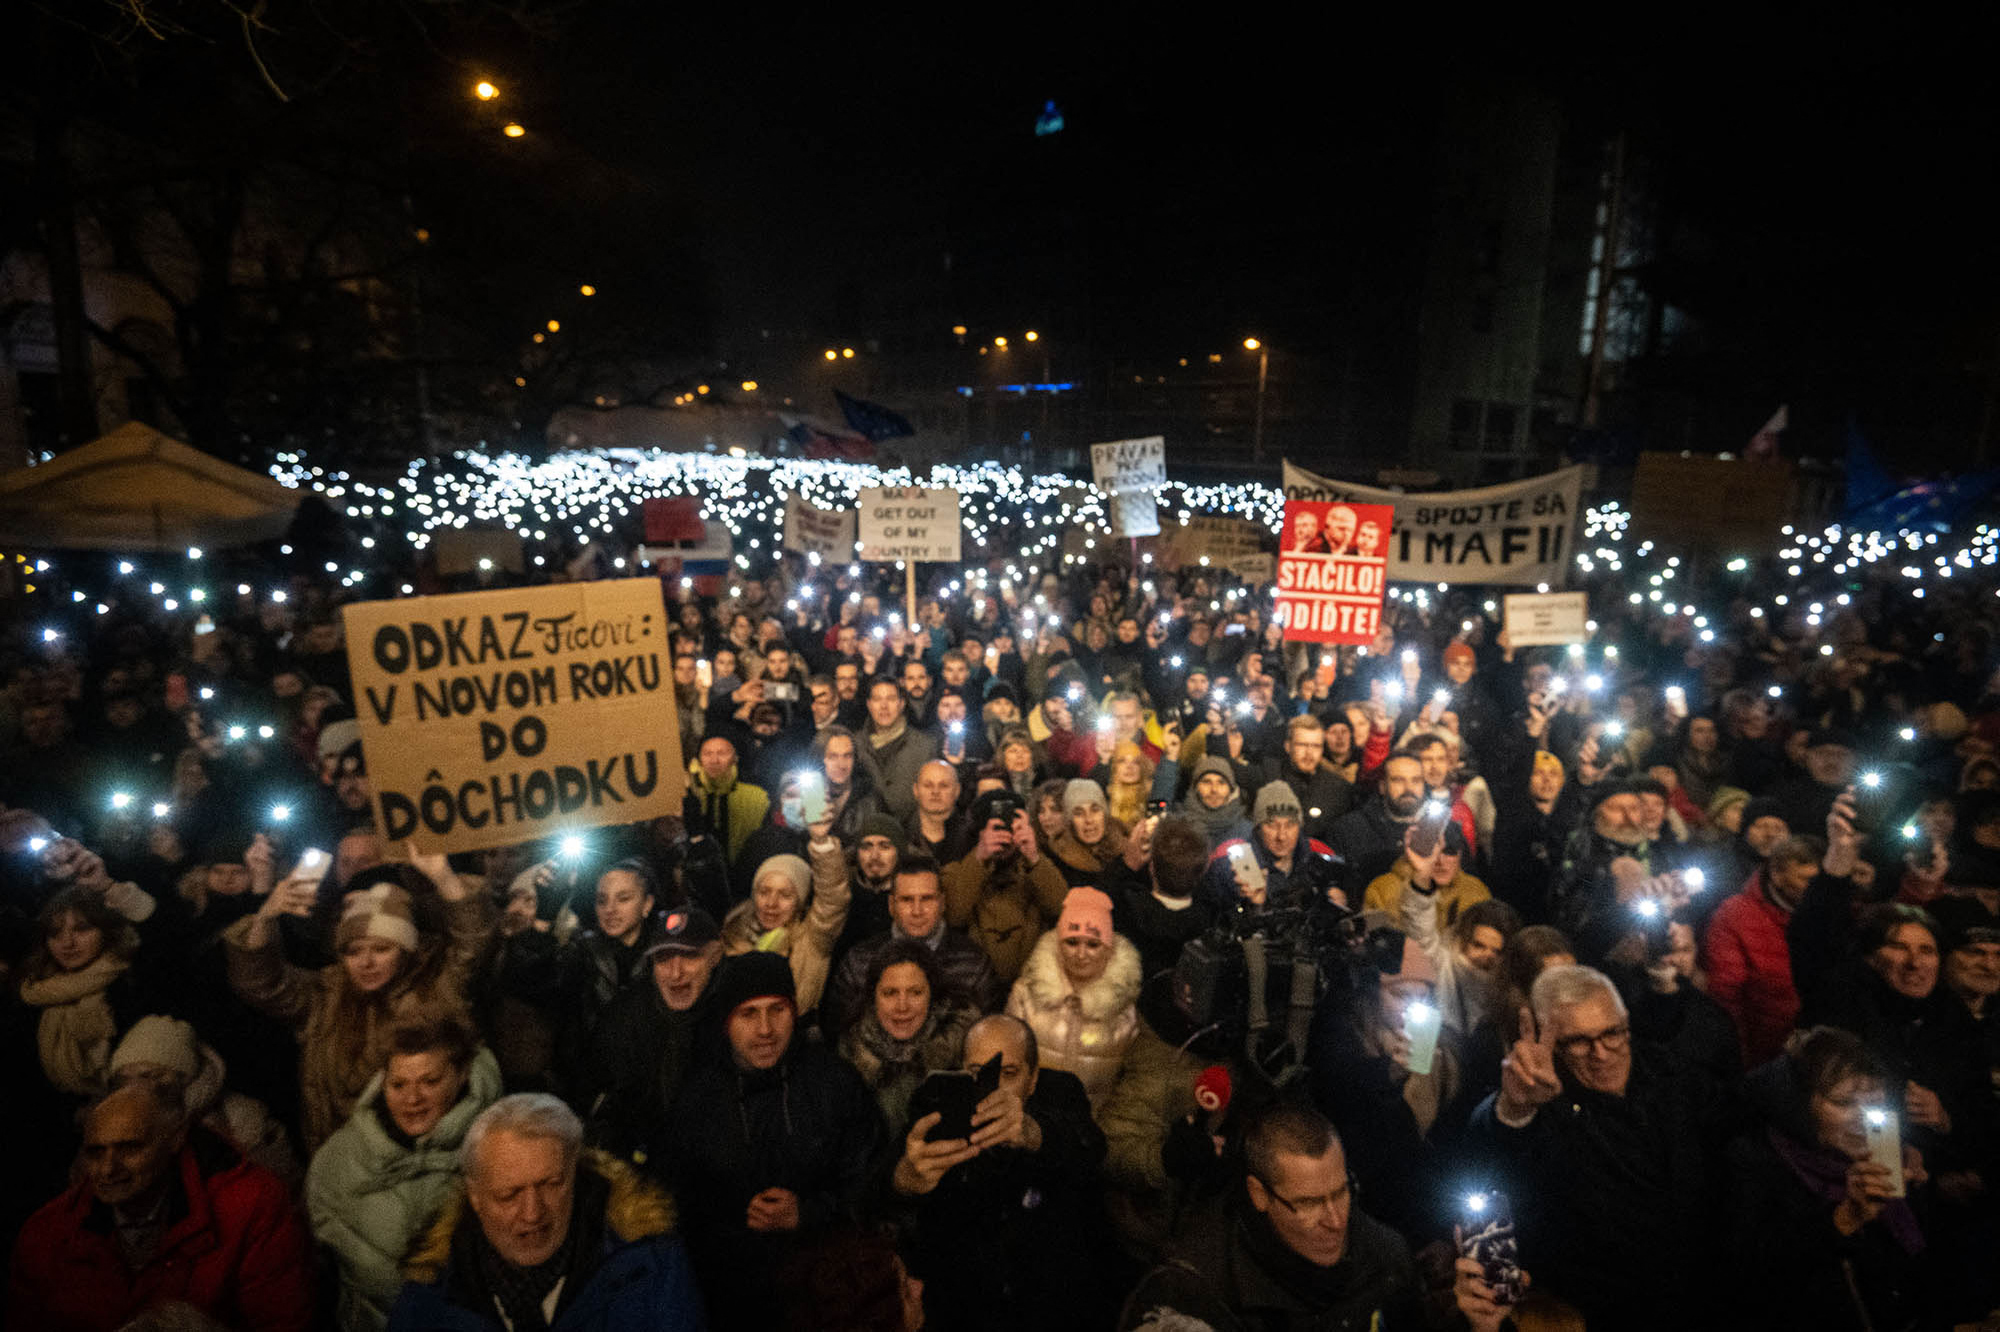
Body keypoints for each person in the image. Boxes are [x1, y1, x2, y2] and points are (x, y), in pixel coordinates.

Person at [1467, 964, 1728, 1329]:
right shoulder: (1542, 1103)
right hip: (1596, 1311)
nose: (1601, 1053)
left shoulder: (1673, 1076)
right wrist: (1516, 1107)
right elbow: (1493, 1153)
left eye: (1612, 1033)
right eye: (1578, 1041)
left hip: (1698, 1297)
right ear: (1551, 1042)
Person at [662, 952, 887, 1330]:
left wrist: (807, 1213)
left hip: (825, 1294)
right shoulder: (698, 1098)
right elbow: (678, 1201)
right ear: (726, 1022)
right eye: (748, 1014)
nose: (765, 1029)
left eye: (777, 1010)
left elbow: (871, 1178)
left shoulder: (834, 1083)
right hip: (730, 1300)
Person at [226, 850, 491, 1151]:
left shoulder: (436, 986)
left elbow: (475, 943)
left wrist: (443, 877)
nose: (366, 962)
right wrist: (265, 917)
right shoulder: (327, 994)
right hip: (342, 1157)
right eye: (353, 951)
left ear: (404, 950)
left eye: (381, 949)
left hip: (427, 1153)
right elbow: (262, 983)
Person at [7, 1081, 314, 1332]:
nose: (108, 1168)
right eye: (95, 1152)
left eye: (130, 1148)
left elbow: (282, 1323)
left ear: (175, 1139)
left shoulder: (250, 1206)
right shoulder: (48, 1234)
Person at [389, 1093, 705, 1331]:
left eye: (552, 1184)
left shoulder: (652, 1266)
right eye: (508, 1195)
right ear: (475, 1197)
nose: (532, 1213)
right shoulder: (428, 1294)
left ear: (576, 1175)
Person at [889, 1014, 1114, 1331]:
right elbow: (877, 1187)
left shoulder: (1061, 1093)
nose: (993, 1088)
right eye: (978, 1073)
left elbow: (1089, 1146)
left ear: (1033, 1078)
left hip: (1046, 1300)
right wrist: (905, 1179)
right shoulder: (939, 1102)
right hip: (963, 1303)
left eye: (1009, 1073)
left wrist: (1033, 1132)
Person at [1118, 1103, 1420, 1332]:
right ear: (1259, 1194)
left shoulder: (1386, 1258)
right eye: (1308, 1203)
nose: (1336, 1221)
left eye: (1341, 1192)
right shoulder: (1189, 1296)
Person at [1725, 1026, 1934, 1331]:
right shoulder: (1757, 1165)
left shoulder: (1892, 1156)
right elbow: (1754, 1280)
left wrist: (1921, 1193)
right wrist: (1845, 1219)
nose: (1864, 1118)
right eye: (1844, 1103)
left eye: (1874, 1100)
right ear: (1800, 1105)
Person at [308, 1015, 504, 1332]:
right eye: (399, 1084)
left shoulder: (500, 1146)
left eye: (430, 1081)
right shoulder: (340, 1157)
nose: (412, 1099)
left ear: (462, 1074)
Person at [581, 907, 726, 1166]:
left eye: (689, 956)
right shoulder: (625, 1017)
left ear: (714, 956)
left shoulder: (734, 1014)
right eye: (663, 959)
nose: (675, 973)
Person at [107, 1013, 299, 1193]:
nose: (136, 1086)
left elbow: (282, 1187)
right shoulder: (105, 1125)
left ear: (184, 1077)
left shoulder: (243, 1118)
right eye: (124, 1078)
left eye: (151, 1075)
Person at [823, 853, 1000, 1036]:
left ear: (942, 903)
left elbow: (989, 1038)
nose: (917, 911)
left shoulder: (974, 964)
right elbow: (837, 1035)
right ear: (891, 905)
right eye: (907, 900)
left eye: (927, 899)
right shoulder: (859, 962)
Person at [1005, 886, 1142, 1110]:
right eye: (1071, 942)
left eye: (1093, 944)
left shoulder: (1125, 1010)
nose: (1081, 954)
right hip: (1030, 1122)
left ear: (1109, 949)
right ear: (1058, 944)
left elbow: (1130, 1086)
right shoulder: (1025, 995)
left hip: (1092, 1130)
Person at [1704, 833, 1820, 1068]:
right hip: (1764, 1057)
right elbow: (1726, 994)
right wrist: (1739, 1060)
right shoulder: (1736, 915)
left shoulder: (1830, 916)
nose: (1817, 890)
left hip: (1816, 1056)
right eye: (1807, 880)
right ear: (1777, 875)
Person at [837, 940, 978, 1130]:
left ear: (932, 995)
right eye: (890, 993)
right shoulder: (849, 1052)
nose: (902, 1006)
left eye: (915, 992)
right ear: (873, 998)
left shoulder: (967, 1045)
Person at [942, 796, 1070, 983]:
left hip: (1031, 980)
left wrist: (1034, 858)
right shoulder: (958, 870)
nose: (1003, 836)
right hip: (975, 981)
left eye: (1009, 828)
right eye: (995, 829)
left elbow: (1061, 909)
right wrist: (979, 859)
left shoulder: (1036, 869)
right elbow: (955, 915)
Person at [721, 837, 851, 1017]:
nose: (771, 903)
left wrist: (822, 845)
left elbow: (833, 900)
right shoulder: (732, 937)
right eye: (764, 892)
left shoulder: (812, 941)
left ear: (800, 902)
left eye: (785, 895)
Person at [1328, 751, 1426, 896]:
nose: (1408, 789)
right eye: (1398, 780)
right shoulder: (1349, 830)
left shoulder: (1445, 830)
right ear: (1382, 786)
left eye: (1416, 780)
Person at [1361, 819, 1490, 926]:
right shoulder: (1382, 891)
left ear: (1460, 855)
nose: (1440, 861)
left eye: (1449, 852)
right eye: (1431, 851)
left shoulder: (1476, 893)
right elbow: (1374, 944)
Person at [860, 678, 942, 823]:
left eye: (891, 699)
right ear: (869, 705)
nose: (884, 706)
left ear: (901, 704)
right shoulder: (854, 745)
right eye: (878, 699)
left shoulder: (925, 746)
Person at [1264, 715, 1354, 845]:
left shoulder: (1338, 788)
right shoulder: (1269, 775)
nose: (1309, 753)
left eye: (1316, 746)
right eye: (1302, 745)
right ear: (1288, 746)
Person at [685, 732, 770, 868]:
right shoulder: (689, 795)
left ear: (735, 758)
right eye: (707, 754)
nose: (714, 760)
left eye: (722, 753)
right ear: (699, 759)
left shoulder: (756, 798)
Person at [1177, 754, 1253, 851]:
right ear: (1195, 788)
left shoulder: (1246, 832)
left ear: (1231, 789)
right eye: (1206, 782)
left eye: (1221, 783)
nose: (1214, 790)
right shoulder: (1179, 827)